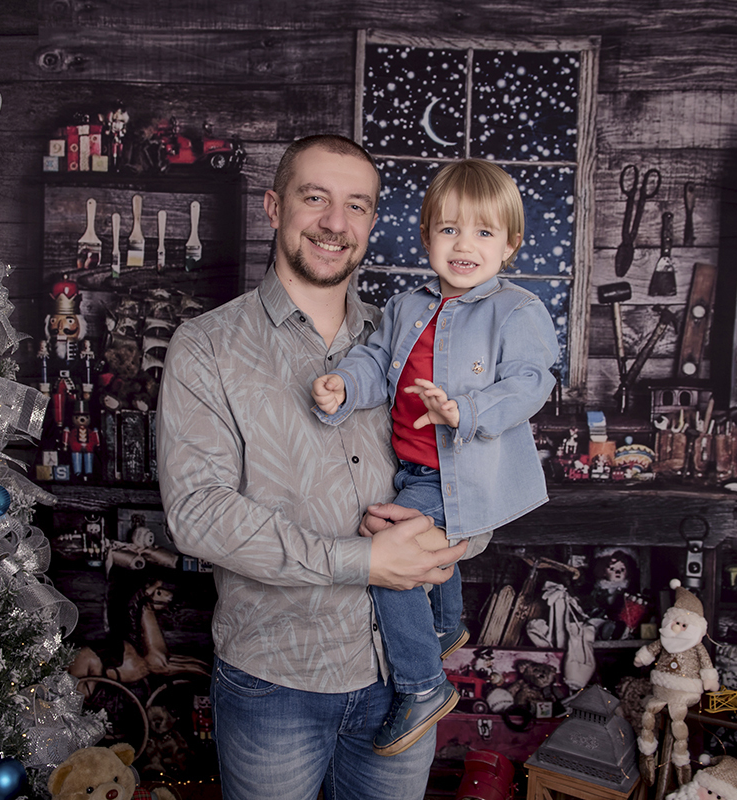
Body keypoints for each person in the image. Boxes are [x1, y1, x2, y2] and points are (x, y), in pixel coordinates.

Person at [156, 134, 469, 800]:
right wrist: (365, 562)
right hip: (273, 682)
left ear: (372, 223)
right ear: (273, 207)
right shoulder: (207, 347)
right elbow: (199, 512)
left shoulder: (415, 339)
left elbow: (472, 471)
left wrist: (455, 535)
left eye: (356, 205)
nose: (335, 222)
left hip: (401, 679)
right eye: (315, 198)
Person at [311, 159, 558, 756]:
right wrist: (344, 384)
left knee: (389, 563)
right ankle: (447, 625)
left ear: (510, 244)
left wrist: (465, 413)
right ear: (426, 237)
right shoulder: (405, 306)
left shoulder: (517, 310)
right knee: (423, 554)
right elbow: (376, 359)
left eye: (482, 233)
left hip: (461, 473)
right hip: (415, 466)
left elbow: (532, 381)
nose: (463, 246)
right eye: (448, 230)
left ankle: (422, 686)